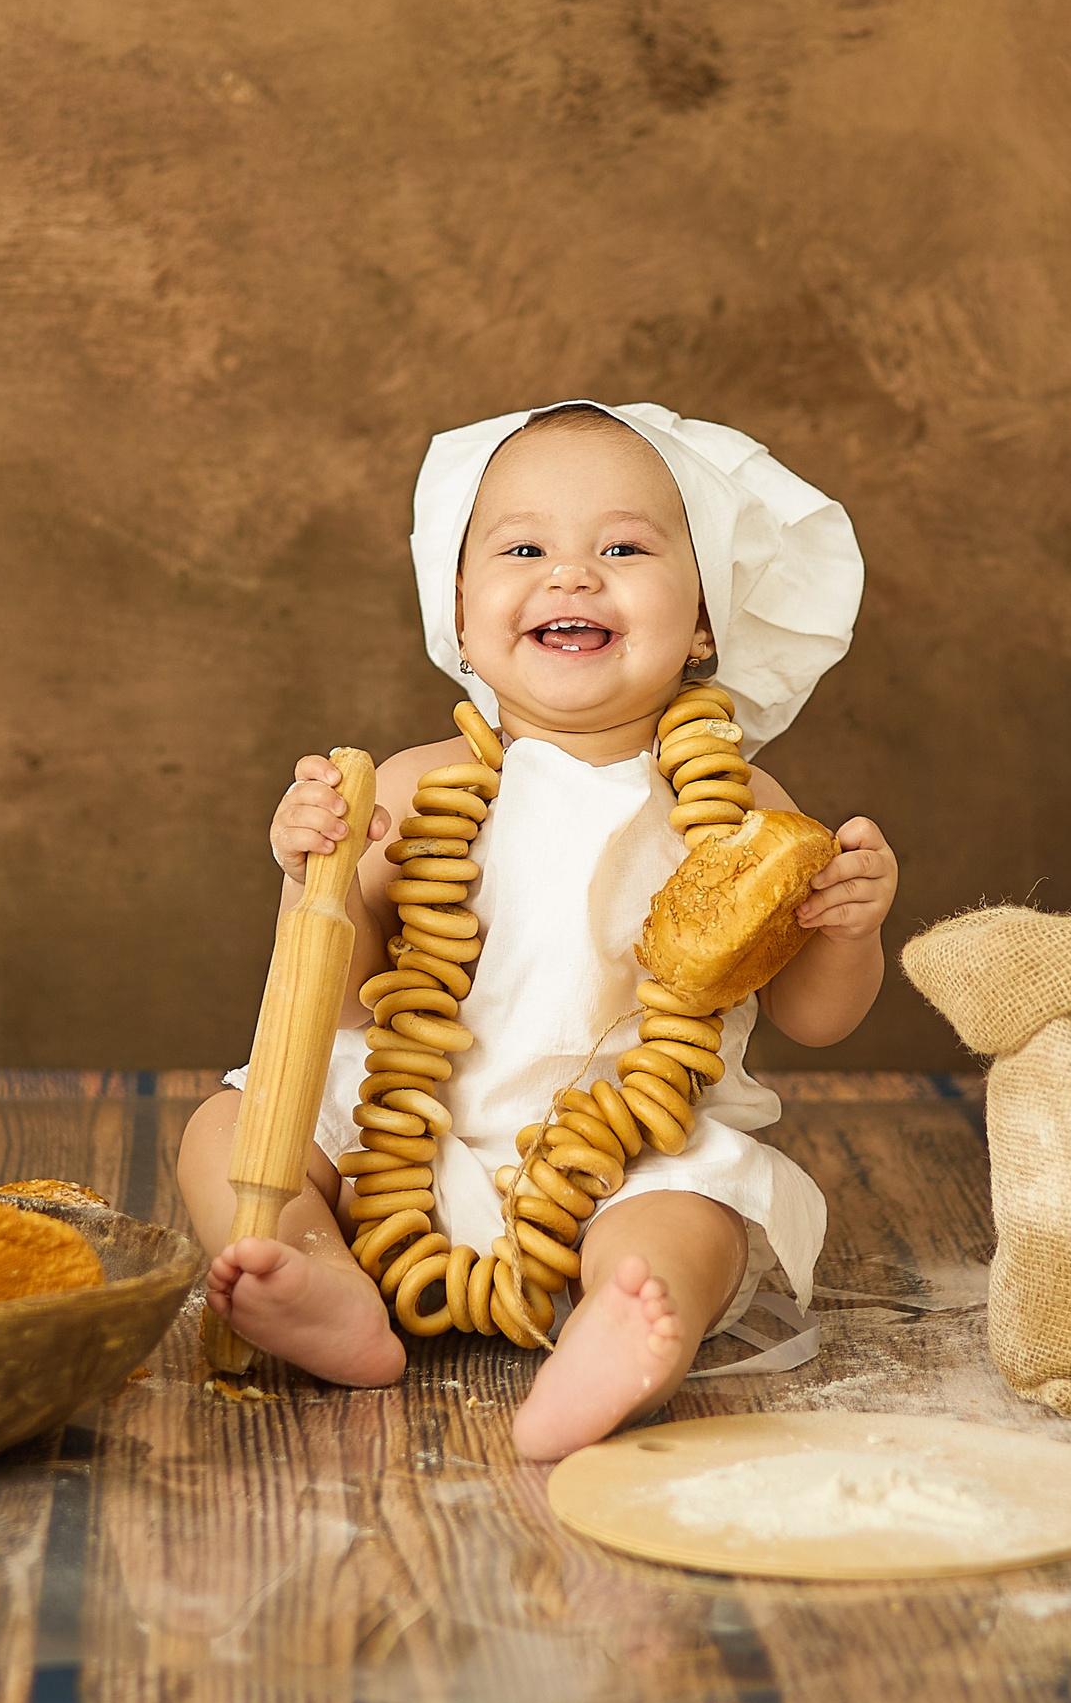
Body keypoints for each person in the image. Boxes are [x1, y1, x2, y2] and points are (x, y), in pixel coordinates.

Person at [177, 400, 899, 1460]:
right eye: (524, 547)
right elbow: (332, 1004)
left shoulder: (739, 805)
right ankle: (315, 1272)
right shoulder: (413, 787)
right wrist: (309, 878)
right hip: (402, 1141)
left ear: (703, 621)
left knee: (691, 1211)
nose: (570, 574)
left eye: (622, 546)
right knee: (232, 1122)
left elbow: (815, 1017)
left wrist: (846, 926)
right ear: (462, 613)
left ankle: (621, 1328)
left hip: (626, 1152)